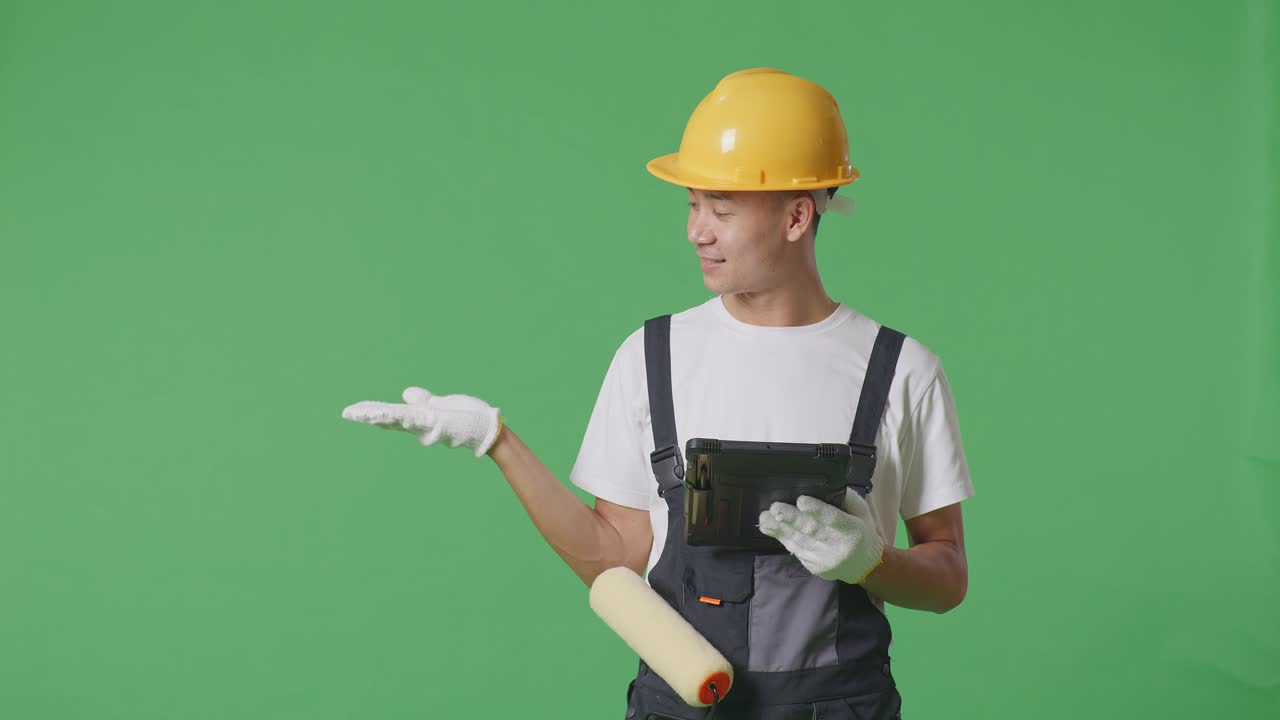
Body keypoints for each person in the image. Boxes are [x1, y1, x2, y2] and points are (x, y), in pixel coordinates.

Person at [341, 68, 973, 720]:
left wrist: (871, 560)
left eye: (721, 210)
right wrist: (497, 442)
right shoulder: (653, 356)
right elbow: (614, 559)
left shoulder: (901, 371)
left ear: (796, 216)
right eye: (693, 205)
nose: (697, 231)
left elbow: (948, 577)